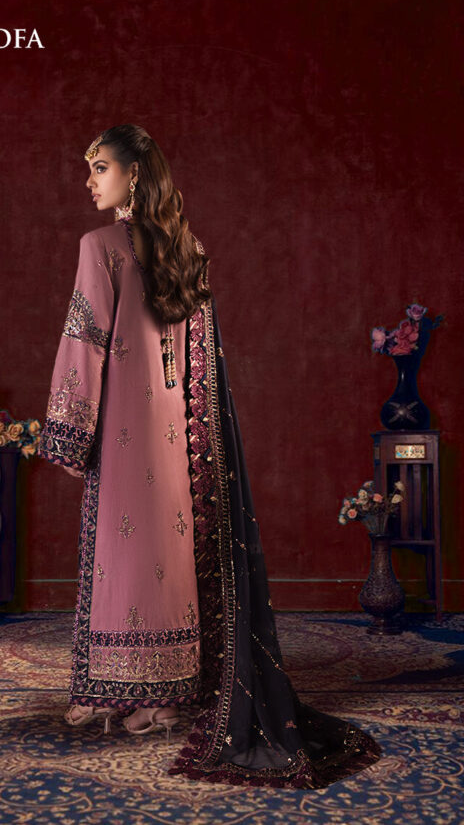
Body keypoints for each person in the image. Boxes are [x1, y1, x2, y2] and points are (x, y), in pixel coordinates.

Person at [38, 124, 382, 787]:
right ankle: (165, 697)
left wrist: (67, 431)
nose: (89, 179)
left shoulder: (99, 246)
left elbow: (85, 340)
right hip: (183, 437)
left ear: (134, 175)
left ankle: (121, 691)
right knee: (167, 553)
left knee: (121, 554)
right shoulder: (188, 248)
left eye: (101, 167)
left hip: (126, 426)